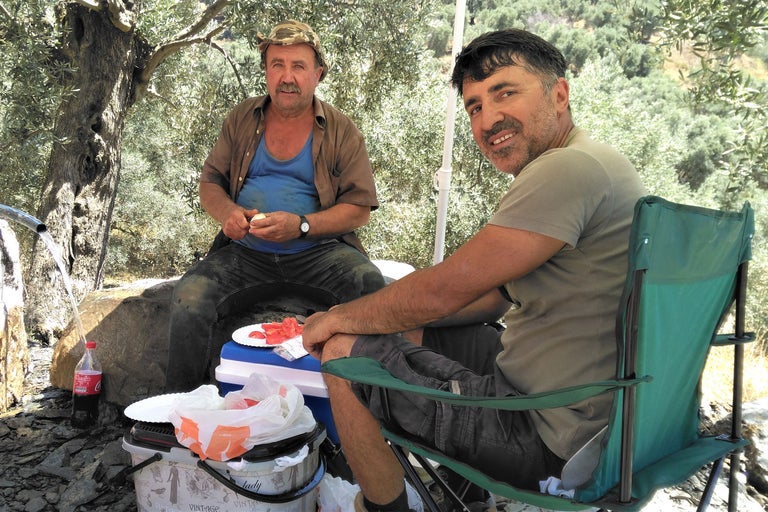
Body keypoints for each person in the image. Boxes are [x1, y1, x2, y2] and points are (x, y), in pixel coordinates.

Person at [302, 28, 647, 512]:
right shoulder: (599, 162)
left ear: (560, 94)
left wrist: (338, 318)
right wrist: (398, 318)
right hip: (602, 417)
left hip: (553, 444)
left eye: (505, 93)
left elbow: (444, 290)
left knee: (342, 354)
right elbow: (491, 295)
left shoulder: (567, 169)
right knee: (412, 327)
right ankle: (461, 493)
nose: (488, 119)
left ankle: (382, 508)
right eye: (475, 107)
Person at [165, 20, 385, 392]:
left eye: (298, 66)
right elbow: (210, 183)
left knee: (370, 285)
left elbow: (359, 208)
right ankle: (180, 410)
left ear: (317, 74)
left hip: (319, 254)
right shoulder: (242, 118)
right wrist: (228, 215)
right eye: (277, 65)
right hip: (246, 254)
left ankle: (370, 410)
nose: (287, 76)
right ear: (266, 72)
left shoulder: (341, 130)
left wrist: (301, 225)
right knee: (189, 297)